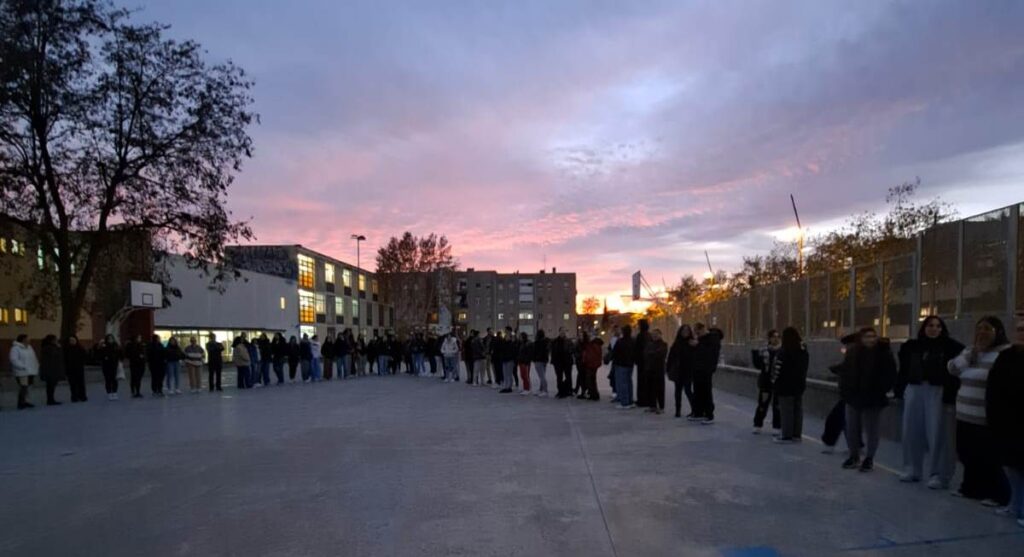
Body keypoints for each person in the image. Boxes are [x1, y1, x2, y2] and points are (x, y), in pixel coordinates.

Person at [948, 316, 1011, 506]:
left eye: (987, 329)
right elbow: (952, 369)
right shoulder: (970, 351)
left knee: (988, 456)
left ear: (998, 332)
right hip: (965, 414)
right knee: (966, 453)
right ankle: (971, 488)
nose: (982, 333)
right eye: (979, 329)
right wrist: (971, 354)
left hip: (986, 415)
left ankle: (997, 494)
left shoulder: (1004, 353)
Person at [896, 316, 964, 486]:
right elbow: (903, 370)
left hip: (937, 390)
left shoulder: (951, 347)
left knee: (937, 432)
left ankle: (939, 474)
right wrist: (899, 391)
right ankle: (912, 468)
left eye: (938, 326)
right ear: (924, 327)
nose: (934, 329)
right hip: (914, 388)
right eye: (930, 325)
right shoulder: (912, 346)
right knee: (911, 431)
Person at [838, 327, 896, 472]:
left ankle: (869, 458)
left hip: (873, 398)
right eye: (867, 337)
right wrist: (845, 392)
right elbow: (845, 372)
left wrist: (880, 390)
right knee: (852, 428)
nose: (870, 339)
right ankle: (854, 456)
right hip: (853, 396)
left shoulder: (883, 353)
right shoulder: (853, 352)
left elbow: (890, 374)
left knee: (872, 430)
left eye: (873, 336)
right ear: (861, 338)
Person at [986, 316, 1024, 527]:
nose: (1021, 333)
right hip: (1008, 421)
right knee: (1011, 466)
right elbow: (994, 386)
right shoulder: (1006, 356)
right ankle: (1015, 504)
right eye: (1019, 329)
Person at [822, 332, 861, 454]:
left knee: (837, 419)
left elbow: (850, 371)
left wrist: (838, 370)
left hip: (851, 395)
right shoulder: (854, 356)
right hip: (848, 395)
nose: (845, 349)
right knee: (846, 421)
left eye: (847, 346)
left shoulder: (857, 357)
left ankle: (851, 446)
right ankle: (855, 446)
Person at [773, 327, 809, 444]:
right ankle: (796, 434)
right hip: (799, 384)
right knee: (797, 410)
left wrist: (775, 382)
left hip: (785, 385)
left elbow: (777, 370)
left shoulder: (783, 352)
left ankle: (787, 435)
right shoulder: (803, 351)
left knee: (786, 411)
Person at [692, 323, 724, 424]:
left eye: (698, 332)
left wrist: (697, 345)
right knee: (698, 391)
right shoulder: (702, 339)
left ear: (703, 329)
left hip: (706, 369)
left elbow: (709, 353)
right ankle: (699, 413)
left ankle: (709, 415)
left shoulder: (713, 338)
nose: (697, 334)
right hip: (698, 369)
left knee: (706, 392)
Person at [751, 330, 782, 433]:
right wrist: (755, 352)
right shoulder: (764, 351)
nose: (776, 339)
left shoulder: (782, 351)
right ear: (769, 338)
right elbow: (758, 365)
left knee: (777, 406)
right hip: (765, 382)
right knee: (762, 404)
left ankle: (777, 426)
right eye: (773, 337)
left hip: (778, 382)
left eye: (778, 336)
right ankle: (757, 424)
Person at [667, 325, 698, 418]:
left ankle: (695, 410)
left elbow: (696, 356)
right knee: (678, 391)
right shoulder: (677, 343)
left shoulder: (692, 343)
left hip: (688, 371)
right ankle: (678, 411)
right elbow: (671, 357)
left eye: (687, 331)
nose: (685, 332)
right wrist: (668, 368)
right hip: (678, 370)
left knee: (688, 390)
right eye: (683, 330)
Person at [9, 334, 39, 409]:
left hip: (31, 371)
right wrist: (22, 366)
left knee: (28, 387)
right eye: (27, 338)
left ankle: (25, 401)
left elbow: (33, 358)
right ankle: (21, 403)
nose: (29, 340)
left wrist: (36, 365)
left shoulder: (29, 347)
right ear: (23, 339)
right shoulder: (15, 348)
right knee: (23, 387)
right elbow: (14, 359)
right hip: (21, 372)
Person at [643, 329, 668, 414]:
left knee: (659, 389)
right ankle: (652, 406)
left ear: (660, 334)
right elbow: (645, 354)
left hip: (658, 370)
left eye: (656, 334)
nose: (654, 336)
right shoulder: (649, 344)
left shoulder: (663, 344)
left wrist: (651, 353)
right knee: (650, 388)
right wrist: (652, 353)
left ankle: (661, 407)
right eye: (653, 334)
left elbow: (660, 354)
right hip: (649, 369)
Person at [611, 325, 636, 409]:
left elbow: (614, 352)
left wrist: (608, 359)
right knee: (629, 382)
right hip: (630, 364)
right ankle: (630, 400)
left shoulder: (620, 341)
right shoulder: (633, 341)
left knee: (622, 383)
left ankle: (625, 402)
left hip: (621, 364)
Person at [39, 335, 65, 406]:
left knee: (51, 385)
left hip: (51, 369)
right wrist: (59, 348)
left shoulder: (47, 347)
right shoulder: (49, 348)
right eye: (55, 339)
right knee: (51, 385)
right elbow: (55, 355)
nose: (57, 341)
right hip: (51, 369)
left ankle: (51, 399)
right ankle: (50, 399)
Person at [96, 334, 123, 401]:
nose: (110, 340)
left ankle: (115, 392)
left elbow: (120, 354)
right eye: (109, 339)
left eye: (111, 338)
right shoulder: (104, 346)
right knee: (108, 380)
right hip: (106, 366)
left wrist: (120, 356)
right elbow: (99, 355)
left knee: (114, 380)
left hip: (114, 365)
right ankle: (109, 393)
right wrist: (100, 347)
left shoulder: (116, 345)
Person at [551, 328, 575, 399]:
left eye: (564, 332)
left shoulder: (569, 341)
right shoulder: (555, 341)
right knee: (559, 377)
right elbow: (552, 351)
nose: (563, 333)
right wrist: (553, 361)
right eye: (561, 331)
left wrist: (569, 352)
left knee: (568, 377)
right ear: (559, 332)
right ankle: (560, 391)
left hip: (567, 362)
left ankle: (569, 390)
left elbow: (572, 349)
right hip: (558, 362)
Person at [64, 335, 88, 402]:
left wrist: (82, 363)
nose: (72, 341)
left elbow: (85, 356)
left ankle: (82, 396)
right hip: (70, 369)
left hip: (79, 368)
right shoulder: (67, 349)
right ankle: (74, 397)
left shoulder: (80, 348)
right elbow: (65, 359)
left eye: (73, 340)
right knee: (72, 384)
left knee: (81, 383)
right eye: (71, 340)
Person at [634, 319, 652, 408]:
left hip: (641, 362)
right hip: (647, 362)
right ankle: (647, 399)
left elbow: (637, 349)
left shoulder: (640, 336)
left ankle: (642, 400)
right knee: (646, 381)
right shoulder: (649, 335)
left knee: (641, 381)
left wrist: (636, 359)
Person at [580, 334, 603, 401]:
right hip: (592, 364)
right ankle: (594, 394)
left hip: (591, 364)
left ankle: (593, 394)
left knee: (589, 380)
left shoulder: (593, 344)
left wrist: (586, 361)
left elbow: (591, 355)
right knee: (592, 380)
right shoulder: (594, 344)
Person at [531, 329, 550, 396]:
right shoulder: (545, 342)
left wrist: (534, 358)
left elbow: (535, 351)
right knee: (542, 375)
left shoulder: (538, 342)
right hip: (544, 360)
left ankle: (545, 390)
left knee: (542, 376)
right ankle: (541, 389)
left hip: (538, 360)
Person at [499, 327, 517, 393]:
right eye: (505, 330)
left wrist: (514, 359)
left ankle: (509, 387)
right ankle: (505, 386)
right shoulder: (504, 338)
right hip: (504, 358)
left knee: (509, 374)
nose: (505, 331)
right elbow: (502, 348)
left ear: (509, 331)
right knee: (505, 374)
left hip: (510, 359)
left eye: (506, 330)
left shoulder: (512, 338)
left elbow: (514, 349)